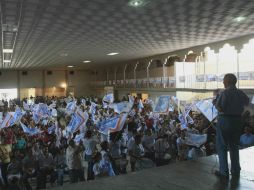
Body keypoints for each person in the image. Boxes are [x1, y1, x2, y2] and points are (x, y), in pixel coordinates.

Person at [214, 73, 249, 179]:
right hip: (238, 120)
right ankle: (235, 169)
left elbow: (221, 108)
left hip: (226, 120)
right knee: (234, 145)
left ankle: (224, 172)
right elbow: (247, 103)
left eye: (224, 81)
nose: (223, 82)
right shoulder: (241, 93)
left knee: (222, 146)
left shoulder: (225, 93)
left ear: (227, 82)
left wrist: (215, 102)